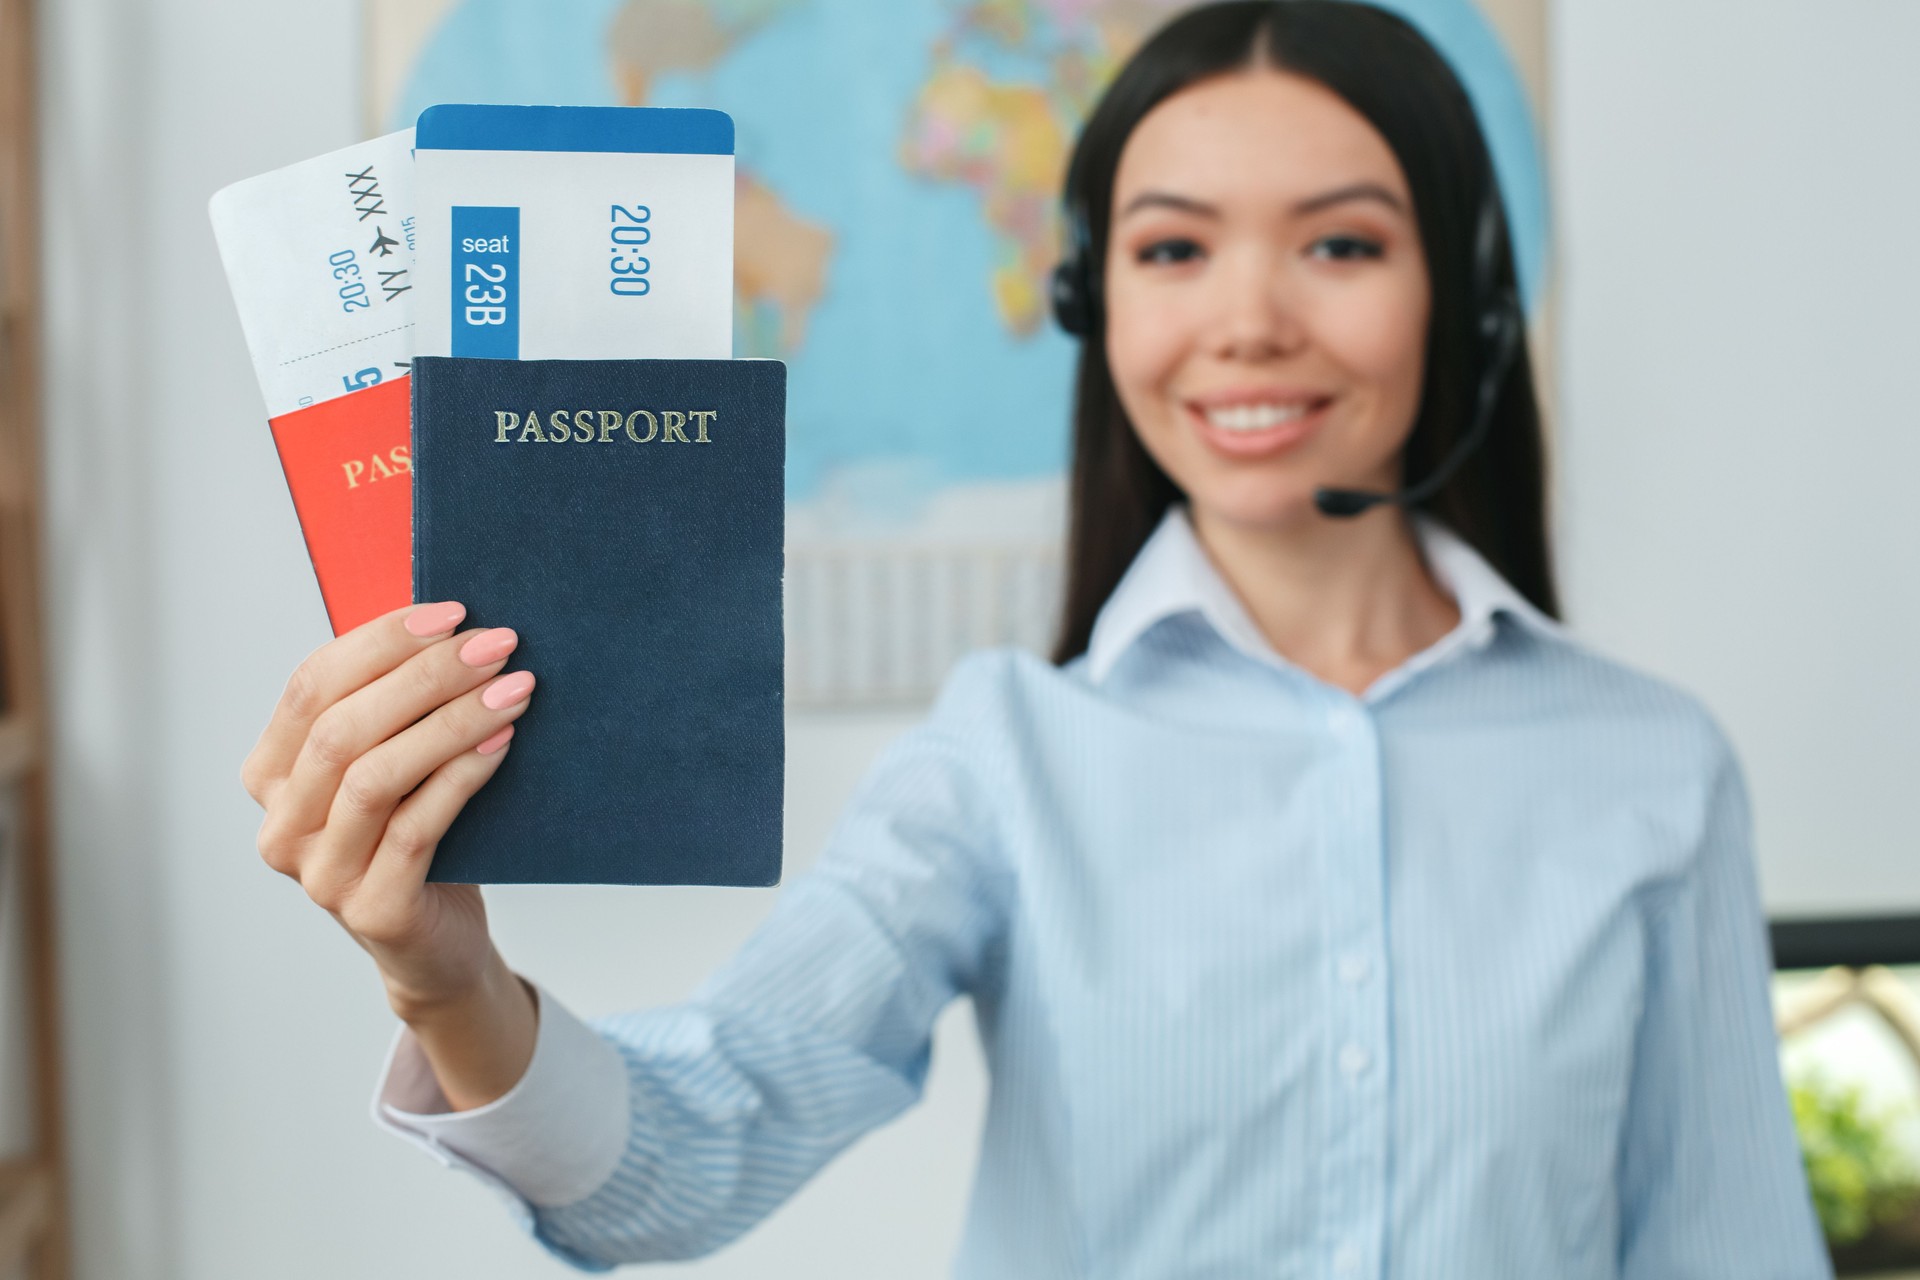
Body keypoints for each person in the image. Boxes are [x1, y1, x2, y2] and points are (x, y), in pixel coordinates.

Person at [241, 2, 1830, 1275]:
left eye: (1340, 243)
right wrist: (445, 976)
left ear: (1466, 298)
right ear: (1094, 301)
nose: (1249, 319)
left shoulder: (1650, 771)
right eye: (1172, 248)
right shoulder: (1006, 759)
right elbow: (676, 1162)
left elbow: (1731, 1249)